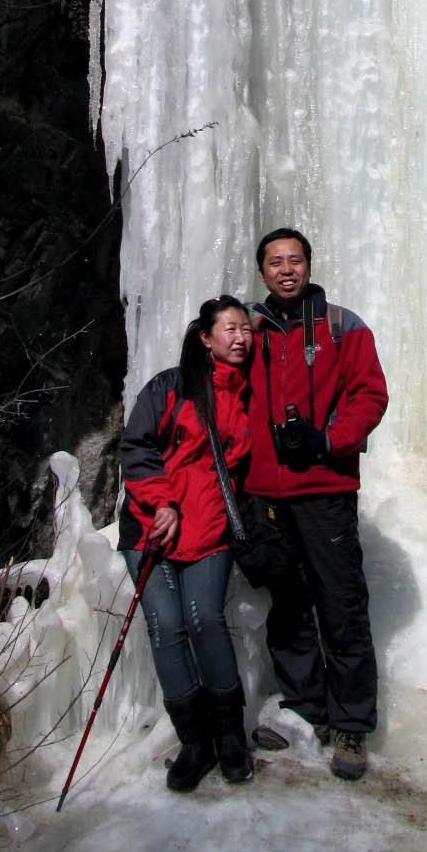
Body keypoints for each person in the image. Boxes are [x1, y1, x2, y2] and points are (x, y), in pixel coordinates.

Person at [246, 228, 388, 780]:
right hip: (264, 496)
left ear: (308, 265)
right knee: (287, 607)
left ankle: (351, 723)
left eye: (295, 260)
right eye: (276, 262)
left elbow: (370, 394)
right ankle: (308, 710)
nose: (286, 270)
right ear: (262, 273)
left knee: (341, 605)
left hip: (325, 491)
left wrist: (328, 440)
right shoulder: (250, 332)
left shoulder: (341, 326)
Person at [117, 295, 254, 790]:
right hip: (151, 526)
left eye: (245, 329)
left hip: (211, 528)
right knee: (166, 625)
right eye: (230, 329)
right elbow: (136, 446)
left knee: (205, 619)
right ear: (205, 337)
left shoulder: (246, 396)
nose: (240, 337)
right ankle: (195, 742)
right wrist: (163, 503)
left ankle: (231, 736)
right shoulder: (168, 388)